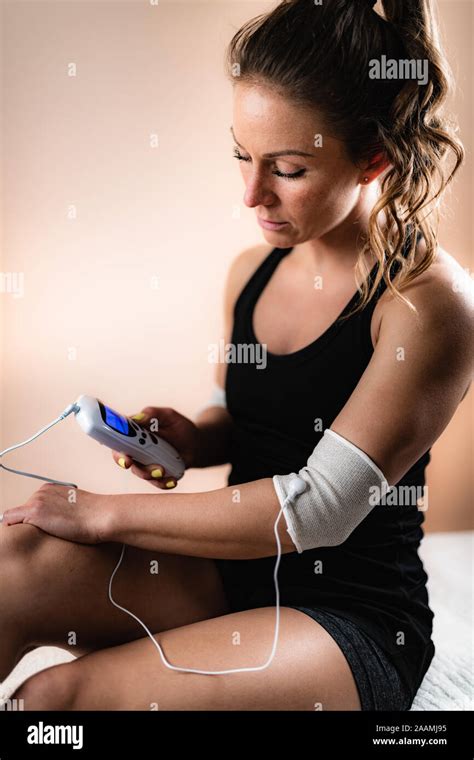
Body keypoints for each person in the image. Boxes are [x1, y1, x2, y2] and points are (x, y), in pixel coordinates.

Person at [1, 0, 472, 711]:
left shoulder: (431, 305)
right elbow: (244, 412)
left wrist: (102, 513)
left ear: (373, 157)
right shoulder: (253, 271)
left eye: (286, 168)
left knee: (53, 700)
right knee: (11, 568)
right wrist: (194, 437)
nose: (251, 194)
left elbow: (319, 509)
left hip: (347, 615)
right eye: (242, 156)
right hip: (232, 571)